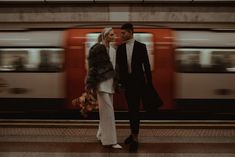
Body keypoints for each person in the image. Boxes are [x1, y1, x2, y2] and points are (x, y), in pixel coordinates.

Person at [116, 23, 152, 152]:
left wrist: (150, 84)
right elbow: (119, 68)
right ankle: (132, 134)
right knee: (130, 110)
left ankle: (135, 138)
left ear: (130, 32)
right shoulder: (120, 48)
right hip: (127, 84)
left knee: (135, 110)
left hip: (139, 83)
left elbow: (146, 66)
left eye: (123, 33)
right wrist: (120, 83)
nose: (121, 35)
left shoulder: (141, 47)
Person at [85, 27, 122, 149]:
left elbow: (115, 68)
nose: (114, 36)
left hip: (110, 85)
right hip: (101, 85)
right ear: (105, 36)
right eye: (112, 35)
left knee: (106, 112)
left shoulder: (113, 49)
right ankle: (110, 141)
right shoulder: (96, 49)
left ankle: (100, 134)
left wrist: (117, 82)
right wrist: (90, 85)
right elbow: (92, 68)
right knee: (109, 113)